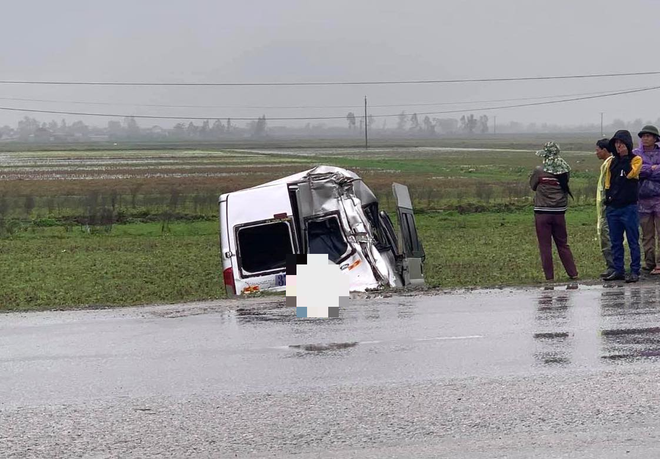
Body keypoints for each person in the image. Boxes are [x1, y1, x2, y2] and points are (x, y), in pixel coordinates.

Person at [530, 141, 579, 282]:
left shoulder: (539, 171)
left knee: (545, 246)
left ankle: (549, 277)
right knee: (563, 243)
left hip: (542, 213)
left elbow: (533, 186)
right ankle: (573, 273)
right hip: (559, 213)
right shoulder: (565, 171)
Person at [604, 130, 643, 282]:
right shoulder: (611, 162)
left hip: (629, 207)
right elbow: (608, 182)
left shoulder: (636, 159)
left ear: (627, 144)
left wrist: (626, 157)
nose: (619, 146)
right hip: (613, 207)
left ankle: (635, 271)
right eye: (616, 144)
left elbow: (630, 174)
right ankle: (618, 270)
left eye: (621, 143)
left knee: (633, 240)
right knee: (615, 241)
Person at [634, 125, 660, 274]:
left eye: (649, 136)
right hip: (642, 200)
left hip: (658, 198)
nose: (645, 138)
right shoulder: (636, 154)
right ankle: (649, 262)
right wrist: (652, 168)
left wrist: (646, 169)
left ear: (655, 138)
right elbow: (636, 170)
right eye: (643, 136)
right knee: (647, 233)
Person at [595, 138, 615, 278]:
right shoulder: (606, 164)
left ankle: (612, 266)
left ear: (605, 150)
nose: (596, 153)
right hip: (604, 207)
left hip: (607, 207)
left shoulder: (610, 164)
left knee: (607, 236)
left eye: (597, 150)